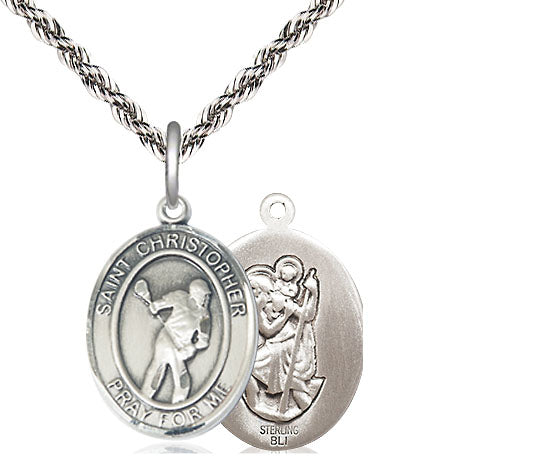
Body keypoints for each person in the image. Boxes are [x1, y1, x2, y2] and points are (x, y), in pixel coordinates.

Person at [244, 256, 324, 421]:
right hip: (274, 347)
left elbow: (308, 315)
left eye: (255, 290)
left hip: (284, 347)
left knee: (289, 381)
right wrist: (285, 315)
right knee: (250, 370)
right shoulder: (260, 307)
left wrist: (314, 292)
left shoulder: (286, 303)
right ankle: (255, 403)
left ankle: (307, 410)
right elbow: (266, 331)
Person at [141, 279, 211, 403]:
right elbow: (160, 304)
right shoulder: (181, 297)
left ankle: (148, 399)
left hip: (180, 347)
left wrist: (191, 348)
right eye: (204, 295)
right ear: (196, 292)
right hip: (166, 338)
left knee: (171, 374)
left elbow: (202, 342)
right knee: (169, 373)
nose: (206, 299)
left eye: (207, 296)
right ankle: (147, 399)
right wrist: (155, 306)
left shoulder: (203, 315)